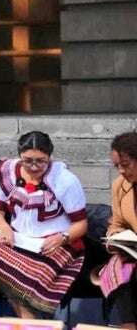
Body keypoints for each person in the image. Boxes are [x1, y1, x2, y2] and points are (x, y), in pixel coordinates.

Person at [0, 131, 88, 318]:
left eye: (41, 161)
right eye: (28, 160)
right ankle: (26, 318)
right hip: (18, 239)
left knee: (33, 274)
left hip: (55, 243)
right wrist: (4, 228)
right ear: (20, 156)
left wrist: (62, 237)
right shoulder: (6, 173)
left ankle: (30, 320)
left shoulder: (64, 180)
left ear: (49, 158)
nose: (34, 167)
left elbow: (81, 224)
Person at [97, 132, 137, 330]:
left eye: (126, 164)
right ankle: (128, 325)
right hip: (134, 253)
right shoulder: (120, 186)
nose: (121, 171)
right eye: (116, 166)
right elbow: (117, 222)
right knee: (118, 265)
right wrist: (114, 237)